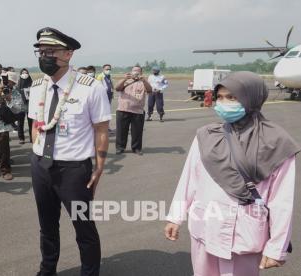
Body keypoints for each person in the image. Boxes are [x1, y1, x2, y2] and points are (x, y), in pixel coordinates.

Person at [164, 72, 300, 276]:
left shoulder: (277, 142)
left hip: (244, 232)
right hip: (205, 227)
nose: (223, 103)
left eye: (232, 97)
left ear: (251, 99)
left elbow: (282, 200)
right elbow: (190, 179)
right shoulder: (206, 135)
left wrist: (276, 247)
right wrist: (175, 217)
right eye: (220, 97)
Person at [29, 27, 111, 276]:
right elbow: (36, 124)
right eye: (41, 52)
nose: (45, 56)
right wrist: (38, 152)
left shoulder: (90, 87)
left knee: (83, 227)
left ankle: (89, 272)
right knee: (47, 226)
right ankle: (47, 269)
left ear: (68, 54)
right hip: (41, 164)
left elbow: (101, 130)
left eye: (50, 51)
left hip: (74, 170)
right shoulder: (37, 86)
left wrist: (98, 168)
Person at [114, 65, 152, 155]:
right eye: (134, 71)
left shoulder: (143, 82)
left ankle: (136, 148)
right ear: (131, 72)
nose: (135, 72)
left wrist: (144, 80)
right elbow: (117, 88)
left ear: (141, 73)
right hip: (123, 109)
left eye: (138, 71)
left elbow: (150, 91)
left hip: (138, 111)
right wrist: (124, 79)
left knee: (137, 131)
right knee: (121, 131)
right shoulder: (126, 80)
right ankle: (120, 147)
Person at [16, 68, 33, 144]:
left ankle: (32, 137)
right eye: (23, 73)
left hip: (30, 105)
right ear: (20, 74)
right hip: (21, 105)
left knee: (31, 123)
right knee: (20, 123)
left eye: (26, 73)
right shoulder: (18, 85)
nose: (24, 74)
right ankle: (21, 138)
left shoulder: (32, 83)